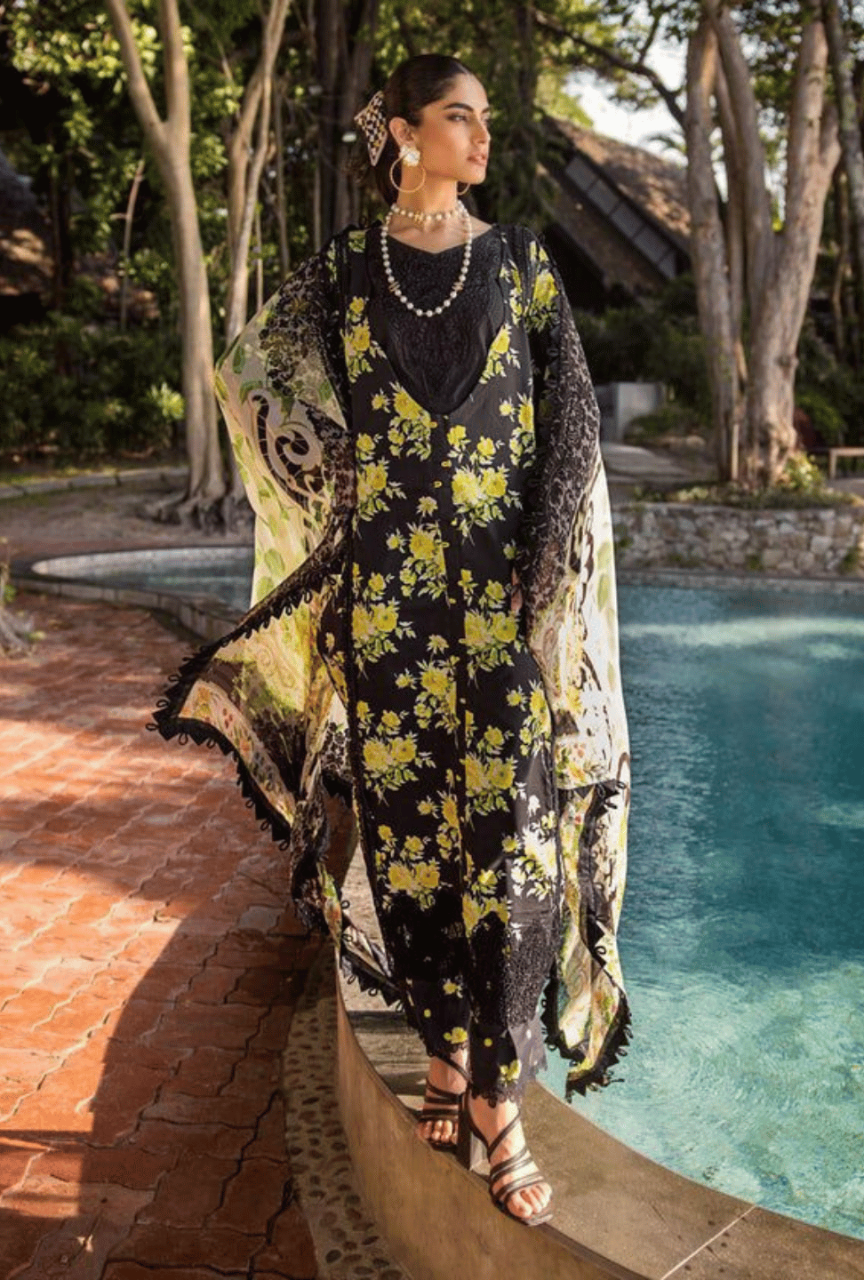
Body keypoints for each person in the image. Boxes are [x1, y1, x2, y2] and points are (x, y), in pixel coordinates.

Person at [153, 53, 630, 1228]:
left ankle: (496, 1093)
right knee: (414, 852)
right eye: (458, 118)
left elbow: (570, 427)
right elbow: (247, 370)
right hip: (390, 616)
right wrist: (328, 491)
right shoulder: (344, 275)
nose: (480, 139)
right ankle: (451, 1059)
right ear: (406, 136)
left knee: (511, 851)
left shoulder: (521, 262)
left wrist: (533, 588)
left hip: (502, 616)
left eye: (479, 118)